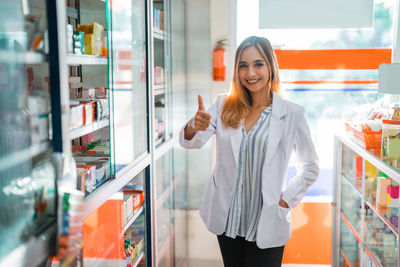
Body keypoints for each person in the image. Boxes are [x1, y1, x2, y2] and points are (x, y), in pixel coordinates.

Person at [179, 36, 319, 267]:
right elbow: (191, 143)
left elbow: (310, 166)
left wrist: (285, 201)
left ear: (271, 67)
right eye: (243, 65)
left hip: (267, 220)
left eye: (258, 64)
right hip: (228, 221)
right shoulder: (225, 105)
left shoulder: (292, 114)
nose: (250, 73)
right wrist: (194, 125)